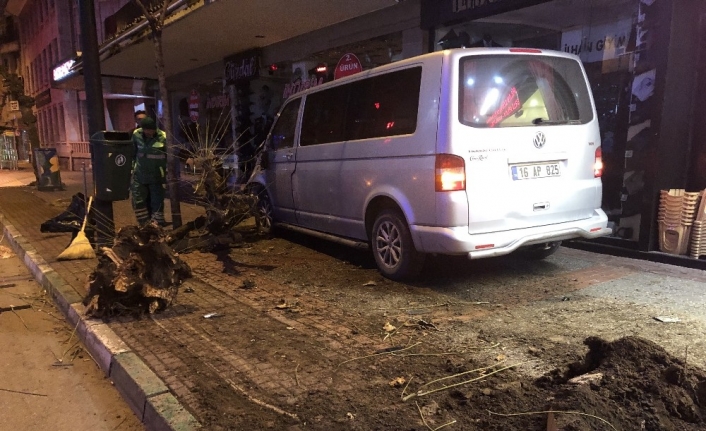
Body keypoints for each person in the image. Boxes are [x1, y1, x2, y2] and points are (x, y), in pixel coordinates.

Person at [131, 116, 167, 226]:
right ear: (143, 129)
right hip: (140, 174)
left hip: (156, 175)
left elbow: (168, 155)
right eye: (147, 130)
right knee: (139, 198)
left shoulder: (163, 136)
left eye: (151, 130)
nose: (149, 133)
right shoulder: (136, 135)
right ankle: (143, 223)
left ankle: (157, 223)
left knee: (157, 200)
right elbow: (133, 152)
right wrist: (132, 168)